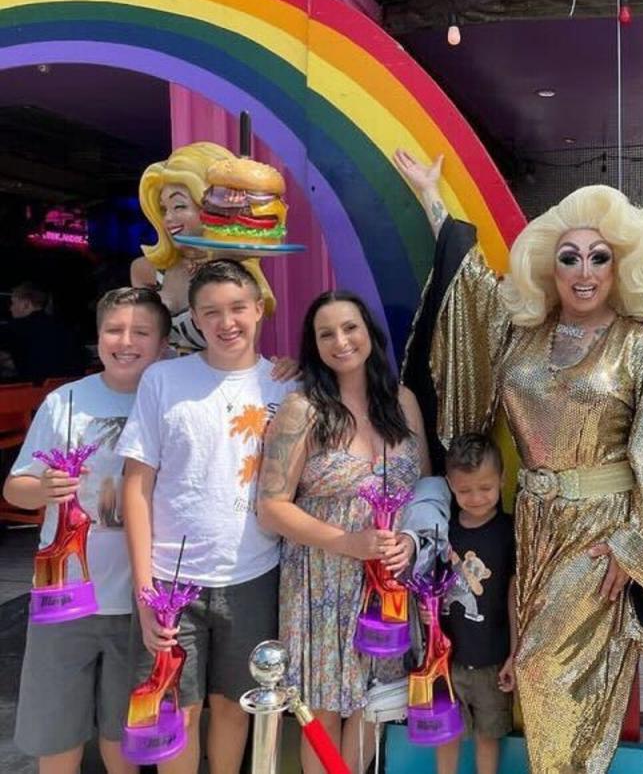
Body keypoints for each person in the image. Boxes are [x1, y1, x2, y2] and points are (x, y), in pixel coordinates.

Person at [393, 149, 643, 773]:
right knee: (530, 674)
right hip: (531, 523)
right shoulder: (520, 335)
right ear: (549, 269)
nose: (584, 271)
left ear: (619, 268)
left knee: (544, 668)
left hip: (597, 533)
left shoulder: (640, 347)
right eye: (569, 257)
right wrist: (433, 199)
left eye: (599, 258)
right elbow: (469, 288)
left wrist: (635, 547)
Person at [117, 260, 297, 774]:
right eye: (211, 311)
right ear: (193, 317)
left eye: (238, 307)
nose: (227, 322)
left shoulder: (287, 385)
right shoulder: (163, 380)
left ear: (258, 309)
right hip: (173, 583)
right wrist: (145, 589)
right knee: (178, 709)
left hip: (255, 575)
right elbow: (137, 483)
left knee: (233, 705)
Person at [256, 290, 431, 774]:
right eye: (325, 333)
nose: (341, 341)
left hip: (390, 582)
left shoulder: (402, 402)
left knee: (380, 698)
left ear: (369, 333)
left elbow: (427, 491)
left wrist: (413, 545)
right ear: (313, 346)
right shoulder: (303, 410)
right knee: (322, 703)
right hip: (320, 579)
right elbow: (270, 508)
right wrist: (347, 543)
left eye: (349, 327)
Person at [3, 287, 171, 774]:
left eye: (141, 333)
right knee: (56, 736)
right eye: (114, 330)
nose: (126, 342)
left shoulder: (171, 401)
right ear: (97, 338)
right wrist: (45, 487)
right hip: (65, 599)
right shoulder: (64, 401)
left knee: (123, 737)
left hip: (141, 601)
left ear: (163, 345)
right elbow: (16, 488)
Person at [133, 142, 277, 354]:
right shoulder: (145, 270)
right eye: (164, 209)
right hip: (159, 384)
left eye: (180, 206)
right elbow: (139, 338)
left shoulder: (240, 275)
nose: (169, 219)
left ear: (213, 208)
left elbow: (241, 353)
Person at [436, 433, 516, 774]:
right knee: (446, 733)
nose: (476, 498)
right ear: (451, 487)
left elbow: (515, 596)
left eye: (485, 487)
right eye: (464, 490)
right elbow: (432, 587)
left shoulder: (510, 532)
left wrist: (514, 652)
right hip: (447, 662)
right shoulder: (444, 531)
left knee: (488, 736)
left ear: (501, 479)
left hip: (492, 662)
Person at [0, 281, 84, 383]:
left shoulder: (16, 328)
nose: (10, 308)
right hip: (69, 389)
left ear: (26, 305)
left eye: (13, 303)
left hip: (33, 392)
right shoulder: (66, 327)